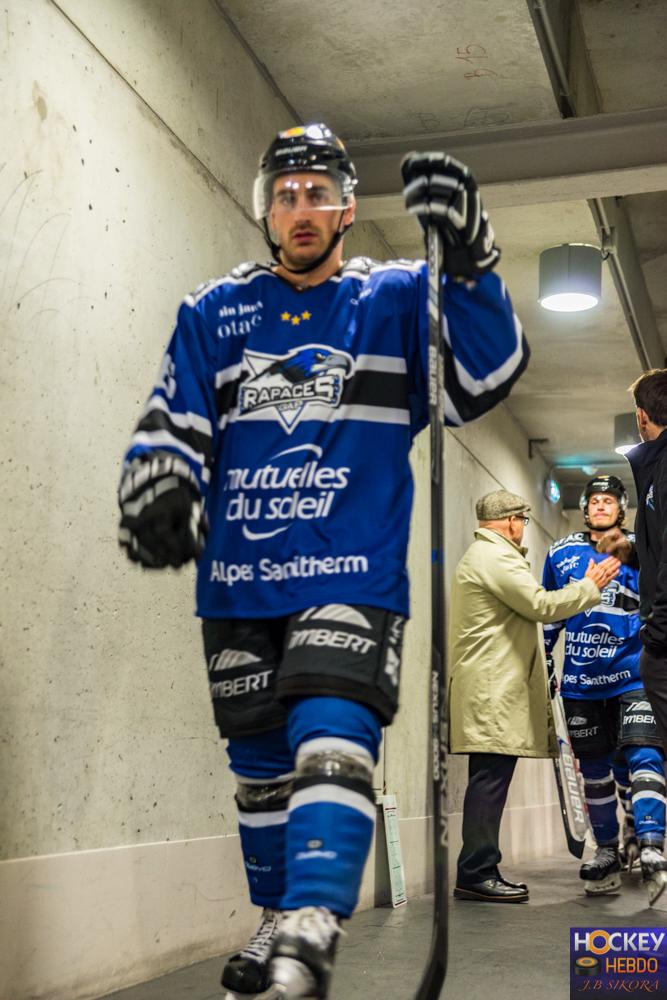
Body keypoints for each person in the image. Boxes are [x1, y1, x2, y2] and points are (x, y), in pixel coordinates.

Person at [117, 123, 527, 1000]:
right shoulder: (213, 311)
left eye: (317, 192)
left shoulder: (394, 297)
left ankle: (313, 920)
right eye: (285, 193)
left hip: (352, 571)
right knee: (259, 772)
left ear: (347, 205)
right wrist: (157, 487)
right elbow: (170, 421)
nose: (300, 209)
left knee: (330, 737)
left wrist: (469, 254)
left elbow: (481, 380)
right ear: (267, 205)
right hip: (237, 579)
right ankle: (274, 921)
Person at [449, 489, 619, 903]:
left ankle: (479, 868)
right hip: (491, 690)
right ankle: (476, 872)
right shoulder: (497, 556)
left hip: (490, 687)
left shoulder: (484, 555)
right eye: (523, 521)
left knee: (489, 778)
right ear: (512, 521)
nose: (523, 528)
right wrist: (589, 586)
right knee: (490, 780)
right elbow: (541, 604)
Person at [542, 475, 667, 905]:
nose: (600, 506)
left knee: (645, 755)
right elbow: (550, 611)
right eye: (593, 500)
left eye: (607, 500)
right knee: (594, 772)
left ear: (622, 506)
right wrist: (542, 657)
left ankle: (651, 843)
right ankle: (607, 850)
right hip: (581, 683)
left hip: (632, 676)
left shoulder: (640, 548)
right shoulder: (560, 552)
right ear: (584, 507)